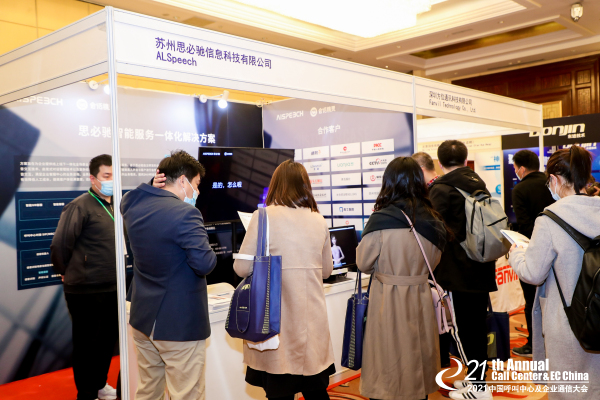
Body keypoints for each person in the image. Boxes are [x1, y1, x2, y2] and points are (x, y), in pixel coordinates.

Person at [233, 160, 335, 400]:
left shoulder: (262, 217)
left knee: (279, 392)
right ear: (306, 186)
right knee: (316, 391)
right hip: (311, 323)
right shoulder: (319, 220)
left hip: (275, 326)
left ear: (276, 185)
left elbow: (241, 268)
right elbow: (327, 271)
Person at [121, 150, 217, 400]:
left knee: (148, 390)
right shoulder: (186, 213)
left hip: (143, 319)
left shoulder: (132, 205)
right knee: (186, 394)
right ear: (183, 180)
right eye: (197, 184)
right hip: (178, 324)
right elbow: (204, 264)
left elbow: (129, 197)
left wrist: (151, 187)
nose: (198, 191)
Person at [508, 145, 600, 399]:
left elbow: (533, 273)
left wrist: (516, 253)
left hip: (568, 319)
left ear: (555, 179)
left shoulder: (549, 220)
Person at [357, 157, 448, 400]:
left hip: (386, 300)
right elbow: (434, 262)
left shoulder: (380, 220)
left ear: (389, 182)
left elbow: (363, 263)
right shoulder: (433, 219)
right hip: (420, 298)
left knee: (386, 362)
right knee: (417, 358)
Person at [428, 140, 496, 399]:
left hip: (458, 272)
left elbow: (434, 229)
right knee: (476, 328)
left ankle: (478, 388)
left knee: (464, 330)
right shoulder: (479, 184)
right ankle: (476, 380)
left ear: (440, 162)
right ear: (466, 160)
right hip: (481, 266)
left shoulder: (442, 189)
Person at [50, 154, 118, 400]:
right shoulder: (80, 205)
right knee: (87, 344)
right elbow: (60, 244)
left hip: (112, 286)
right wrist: (64, 271)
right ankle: (86, 394)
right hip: (85, 289)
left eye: (114, 175)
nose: (111, 180)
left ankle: (99, 384)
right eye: (106, 176)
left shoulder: (115, 205)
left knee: (106, 341)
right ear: (93, 178)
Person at [510, 149, 555, 358]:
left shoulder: (520, 189)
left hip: (533, 249)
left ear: (521, 169)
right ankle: (551, 342)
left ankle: (532, 345)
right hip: (557, 248)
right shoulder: (551, 183)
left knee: (531, 299)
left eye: (515, 168)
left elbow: (525, 225)